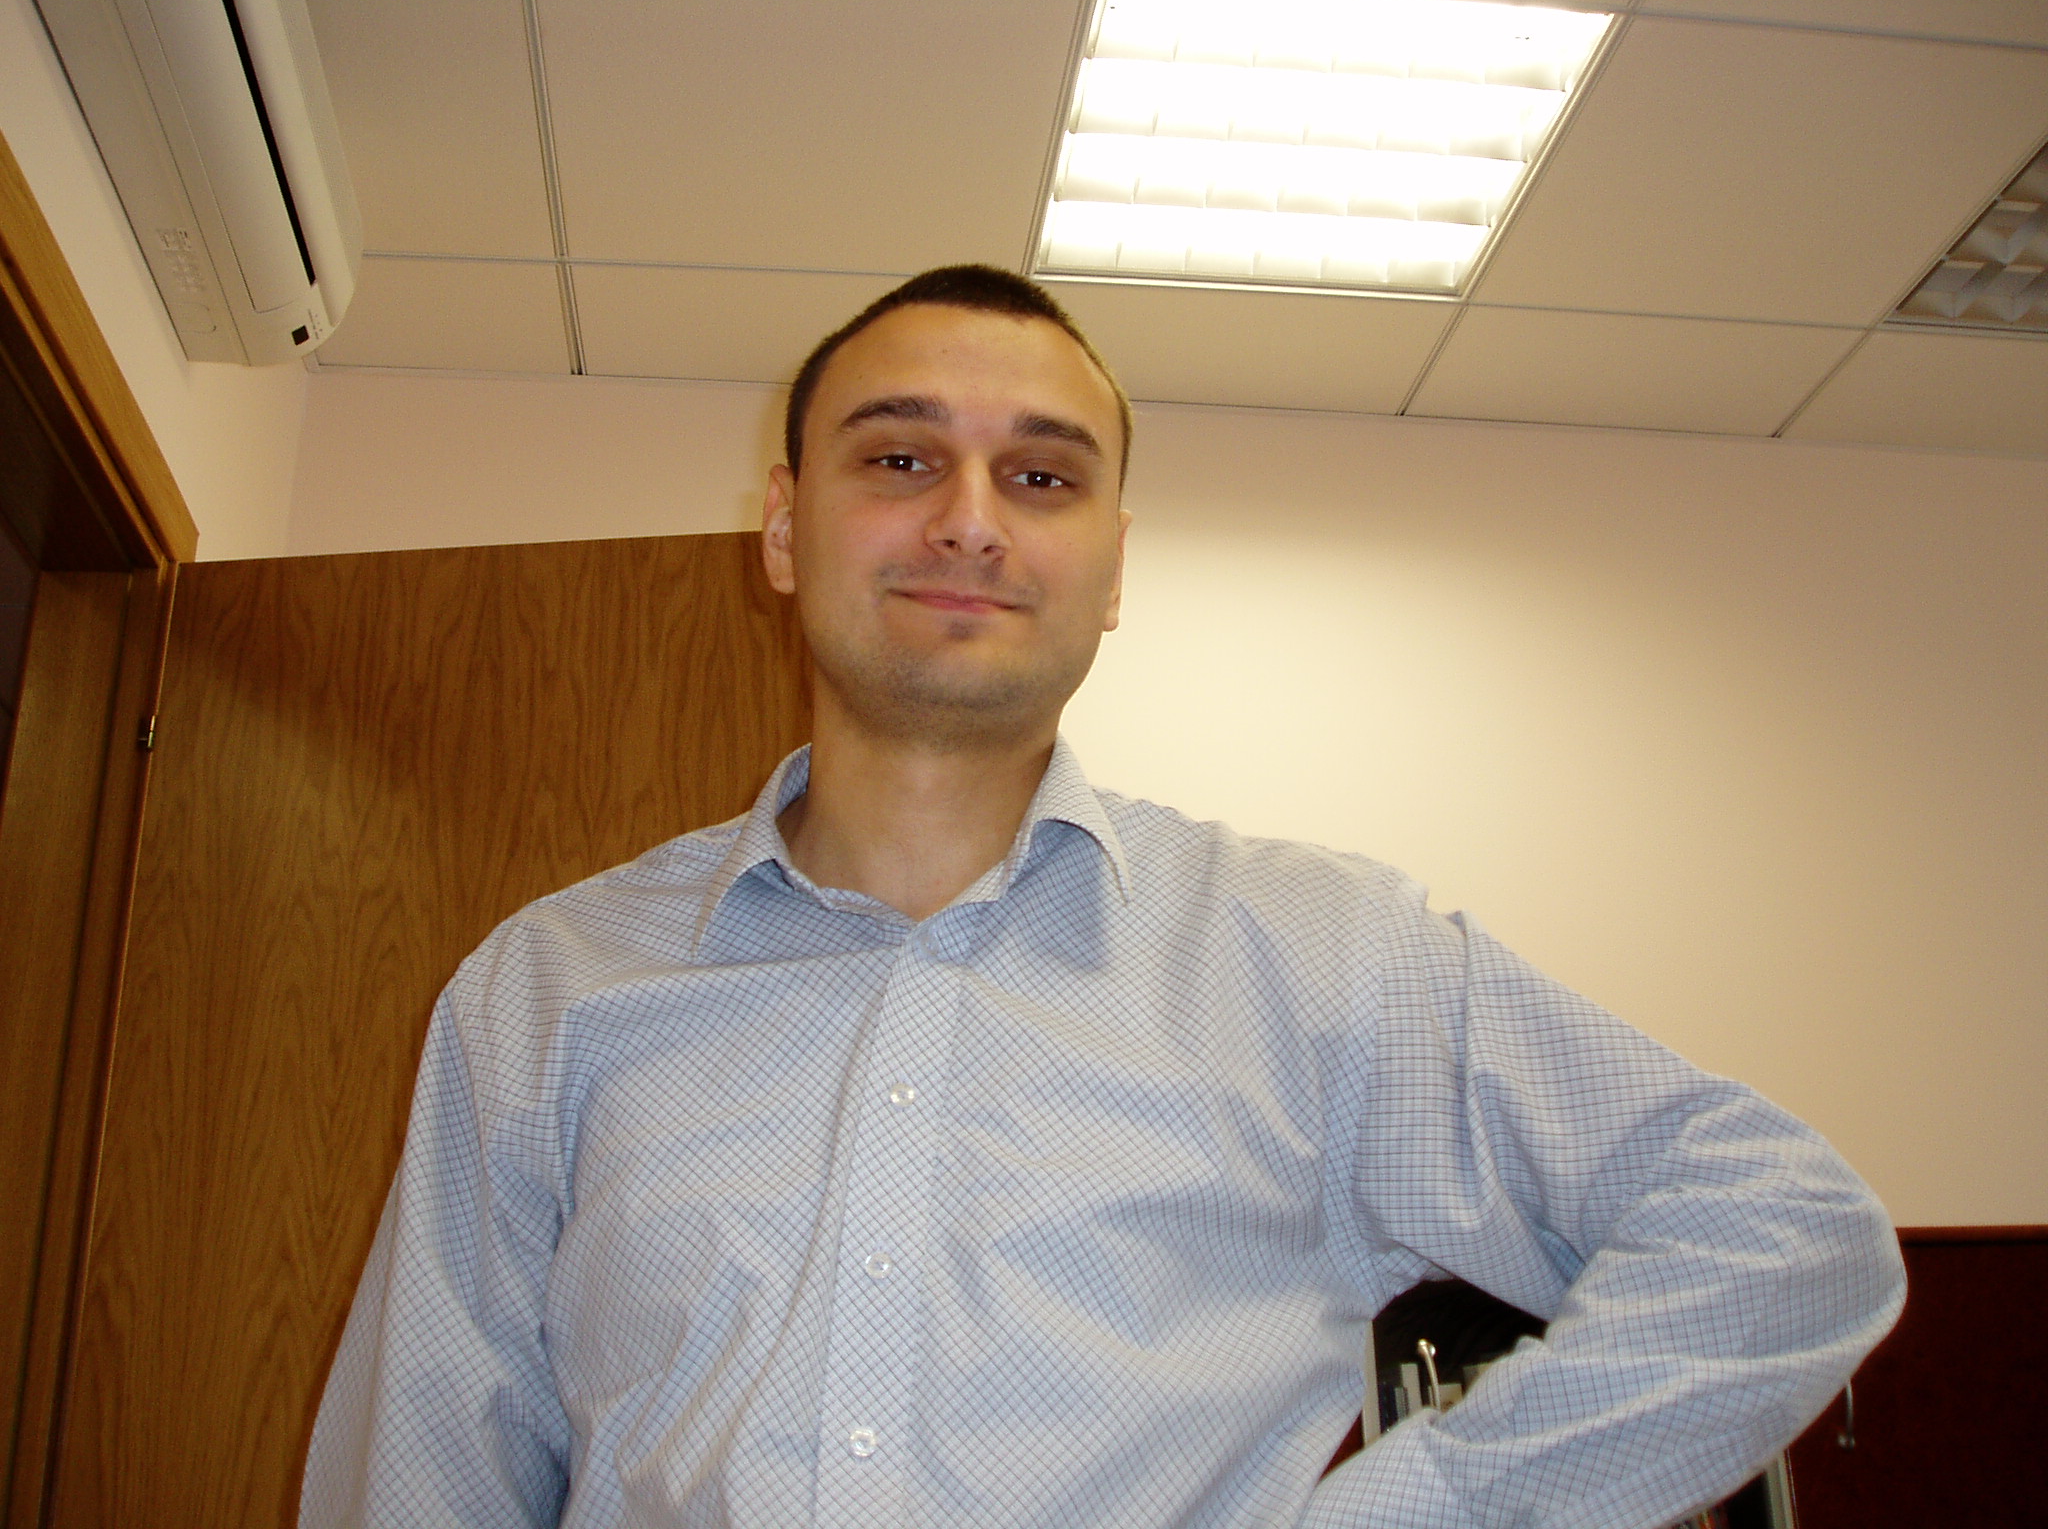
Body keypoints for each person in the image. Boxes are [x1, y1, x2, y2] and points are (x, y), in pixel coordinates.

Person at [300, 265, 1903, 1529]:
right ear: (783, 527)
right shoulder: (549, 991)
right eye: (901, 458)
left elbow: (1786, 1237)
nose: (970, 518)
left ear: (1114, 567)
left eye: (1043, 477)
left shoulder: (1318, 962)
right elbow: (420, 1481)